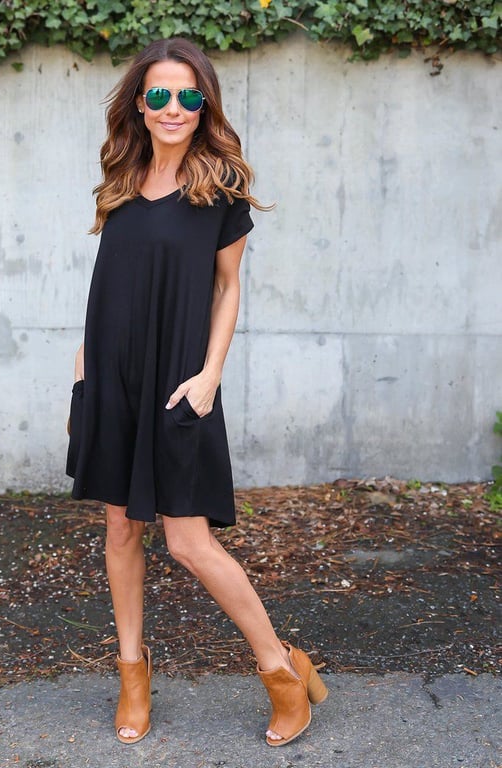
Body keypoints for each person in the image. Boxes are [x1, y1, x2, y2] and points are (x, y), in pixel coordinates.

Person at [68, 37, 328, 747]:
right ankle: (132, 674)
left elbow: (227, 287)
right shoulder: (121, 180)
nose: (174, 107)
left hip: (180, 380)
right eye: (159, 94)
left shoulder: (220, 189)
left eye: (188, 95)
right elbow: (108, 286)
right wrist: (84, 372)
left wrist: (211, 374)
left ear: (204, 104)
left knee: (188, 540)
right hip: (111, 377)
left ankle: (282, 670)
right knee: (120, 529)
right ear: (139, 104)